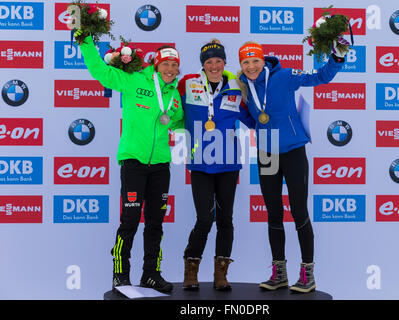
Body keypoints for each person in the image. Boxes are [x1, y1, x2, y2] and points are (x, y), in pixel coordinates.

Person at [237, 41, 346, 293]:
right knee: (273, 212)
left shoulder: (284, 76)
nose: (251, 66)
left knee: (298, 210)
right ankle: (279, 273)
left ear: (263, 60)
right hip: (267, 152)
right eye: (246, 62)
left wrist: (336, 58)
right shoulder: (242, 85)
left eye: (255, 60)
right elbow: (249, 116)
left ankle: (307, 272)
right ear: (241, 65)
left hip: (294, 149)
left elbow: (320, 77)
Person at [79, 34, 184, 293]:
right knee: (130, 220)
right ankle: (120, 274)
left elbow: (181, 122)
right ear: (156, 64)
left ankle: (151, 274)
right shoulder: (134, 79)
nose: (170, 69)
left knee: (156, 223)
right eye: (166, 63)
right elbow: (100, 71)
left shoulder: (176, 96)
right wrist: (85, 41)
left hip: (160, 165)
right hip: (134, 162)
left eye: (174, 65)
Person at [177, 39, 255, 291]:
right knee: (203, 219)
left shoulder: (235, 86)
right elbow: (166, 99)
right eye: (209, 62)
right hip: (200, 163)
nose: (214, 66)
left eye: (218, 61)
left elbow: (250, 118)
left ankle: (221, 272)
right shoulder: (187, 84)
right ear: (203, 64)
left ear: (224, 63)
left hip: (228, 164)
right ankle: (191, 267)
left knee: (226, 219)